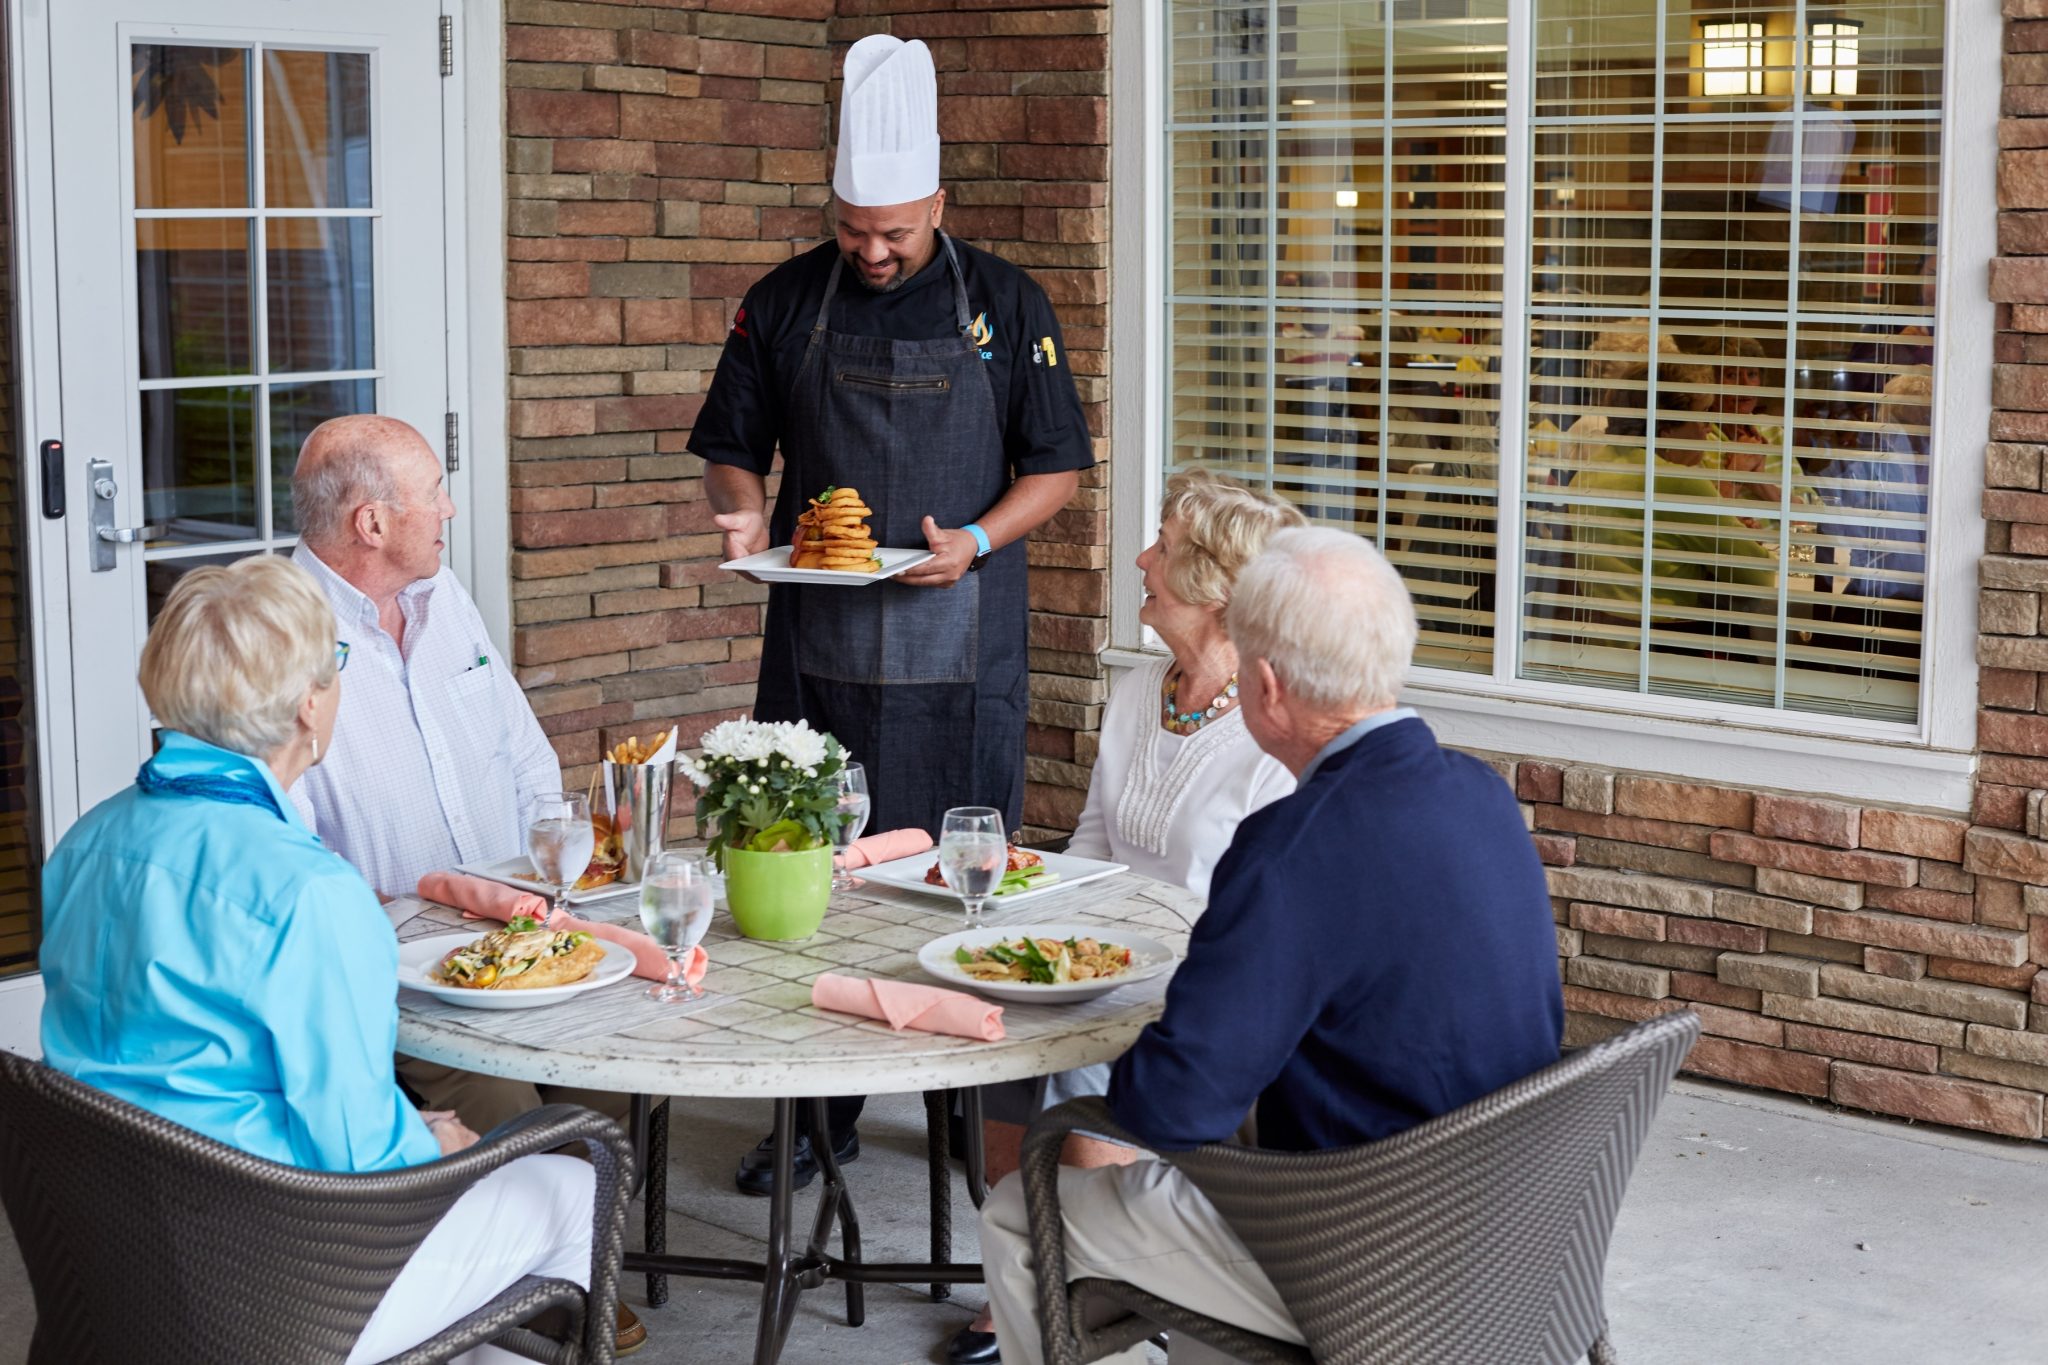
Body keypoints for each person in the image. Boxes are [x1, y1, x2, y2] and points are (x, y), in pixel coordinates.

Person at [977, 529, 1564, 1365]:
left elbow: (1174, 1109)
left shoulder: (1290, 847)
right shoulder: (1483, 794)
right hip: (1522, 1229)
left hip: (1365, 1258)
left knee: (1019, 1215)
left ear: (1268, 688)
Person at [689, 34, 1092, 1194]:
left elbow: (1056, 469)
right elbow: (730, 451)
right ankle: (813, 1118)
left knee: (961, 877)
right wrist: (741, 514)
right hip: (813, 650)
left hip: (960, 646)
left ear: (938, 208)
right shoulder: (781, 301)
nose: (871, 252)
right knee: (805, 880)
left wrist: (974, 540)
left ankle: (973, 1113)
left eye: (895, 234)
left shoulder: (1005, 303)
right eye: (854, 230)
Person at [38, 556, 595, 1365]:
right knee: (574, 1183)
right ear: (308, 704)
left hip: (107, 1258)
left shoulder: (85, 842)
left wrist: (407, 1132)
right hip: (272, 1281)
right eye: (337, 664)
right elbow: (361, 1160)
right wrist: (430, 1144)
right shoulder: (311, 891)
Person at [287, 415, 646, 1353]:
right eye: (434, 492)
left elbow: (525, 757)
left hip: (521, 929)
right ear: (372, 522)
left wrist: (557, 874)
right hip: (402, 966)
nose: (449, 508)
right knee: (518, 1116)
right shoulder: (285, 631)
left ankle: (576, 1248)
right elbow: (286, 842)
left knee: (635, 1049)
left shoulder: (442, 595)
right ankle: (545, 1289)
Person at [944, 471, 1301, 1364]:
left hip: (1190, 982)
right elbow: (1095, 843)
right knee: (991, 1022)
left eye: (1163, 548)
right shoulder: (1144, 687)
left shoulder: (1272, 726)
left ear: (1215, 589)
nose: (1141, 559)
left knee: (1078, 1066)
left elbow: (1252, 910)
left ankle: (1097, 1289)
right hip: (1098, 952)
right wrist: (1028, 898)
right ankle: (1037, 1267)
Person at [1570, 361, 1778, 632]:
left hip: (1602, 642)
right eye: (1703, 415)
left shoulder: (1585, 476)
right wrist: (1742, 539)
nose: (1709, 428)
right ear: (1666, 429)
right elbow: (1760, 576)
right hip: (1672, 644)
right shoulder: (1677, 483)